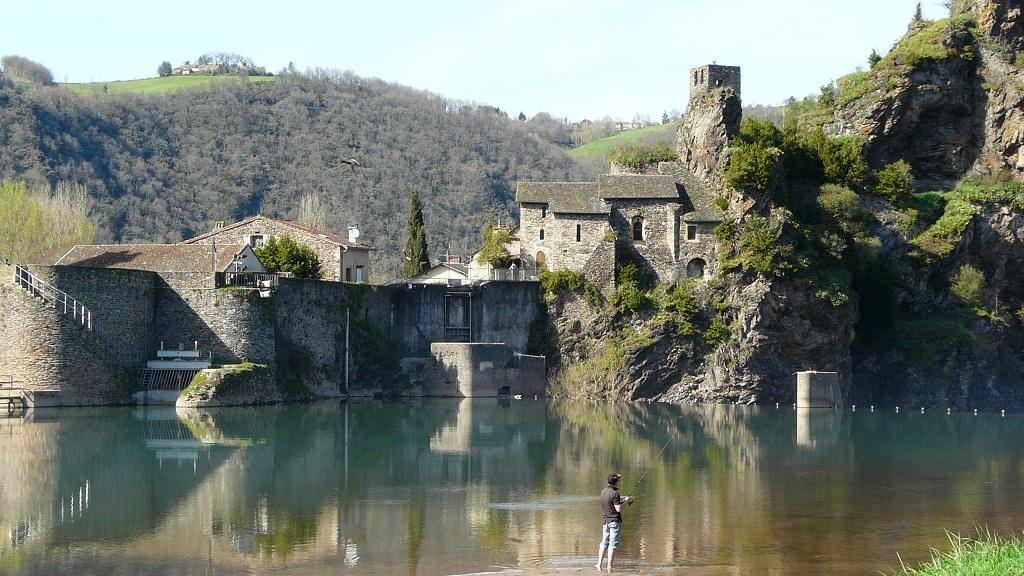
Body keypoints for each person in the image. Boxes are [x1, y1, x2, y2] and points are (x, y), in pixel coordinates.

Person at [596, 472, 632, 572]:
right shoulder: (615, 494)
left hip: (605, 521)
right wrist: (627, 502)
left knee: (604, 542)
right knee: (612, 544)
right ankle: (610, 567)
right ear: (615, 482)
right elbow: (618, 509)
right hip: (615, 522)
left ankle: (599, 564)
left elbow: (610, 504)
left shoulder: (603, 491)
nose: (620, 482)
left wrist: (623, 501)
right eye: (619, 481)